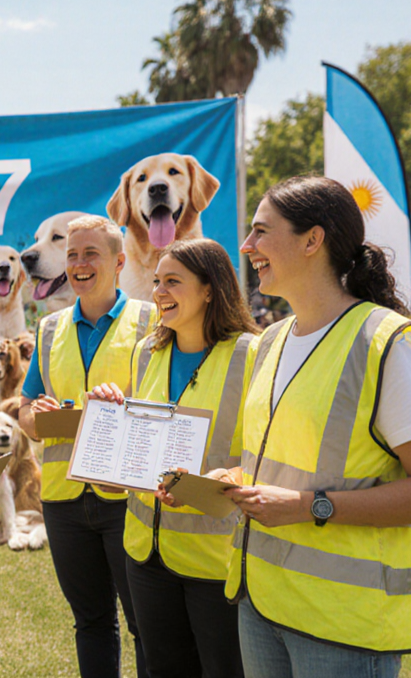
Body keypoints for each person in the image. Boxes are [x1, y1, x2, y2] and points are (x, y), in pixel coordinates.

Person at [221, 175, 411, 677]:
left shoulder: (387, 342)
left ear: (313, 240)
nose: (247, 247)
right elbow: (285, 463)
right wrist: (231, 482)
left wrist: (311, 507)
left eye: (262, 231)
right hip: (260, 598)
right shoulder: (269, 341)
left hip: (345, 625)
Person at [16, 214, 155, 677]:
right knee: (90, 621)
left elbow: (169, 408)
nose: (78, 264)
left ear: (119, 262)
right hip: (63, 501)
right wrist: (39, 418)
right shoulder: (49, 329)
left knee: (145, 624)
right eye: (72, 255)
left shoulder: (152, 321)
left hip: (128, 498)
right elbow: (25, 414)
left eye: (90, 254)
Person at [120, 239, 259, 678]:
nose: (159, 291)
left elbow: (267, 454)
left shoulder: (252, 355)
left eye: (173, 282)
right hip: (145, 555)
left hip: (215, 558)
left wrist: (222, 478)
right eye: (157, 281)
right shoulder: (147, 352)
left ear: (209, 290)